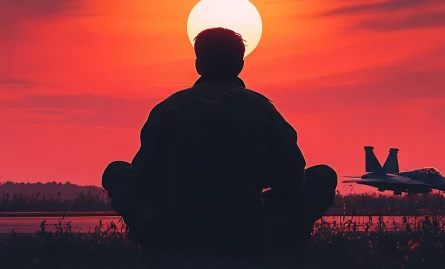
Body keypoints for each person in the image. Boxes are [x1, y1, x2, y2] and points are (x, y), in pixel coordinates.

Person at [102, 27, 337, 251]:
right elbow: (291, 181)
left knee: (117, 172)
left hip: (174, 232)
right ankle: (279, 245)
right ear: (240, 65)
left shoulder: (168, 108)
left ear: (198, 65)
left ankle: (161, 245)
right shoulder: (263, 110)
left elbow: (144, 182)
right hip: (249, 233)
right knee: (323, 176)